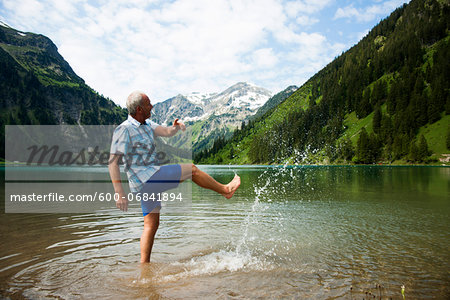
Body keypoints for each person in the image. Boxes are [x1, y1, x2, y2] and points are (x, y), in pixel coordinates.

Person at [108, 91, 241, 263]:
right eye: (149, 104)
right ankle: (226, 190)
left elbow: (166, 132)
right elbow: (113, 162)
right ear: (140, 108)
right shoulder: (124, 129)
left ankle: (144, 267)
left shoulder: (147, 124)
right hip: (149, 179)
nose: (152, 106)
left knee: (151, 225)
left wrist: (176, 127)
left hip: (146, 183)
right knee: (192, 170)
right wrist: (119, 192)